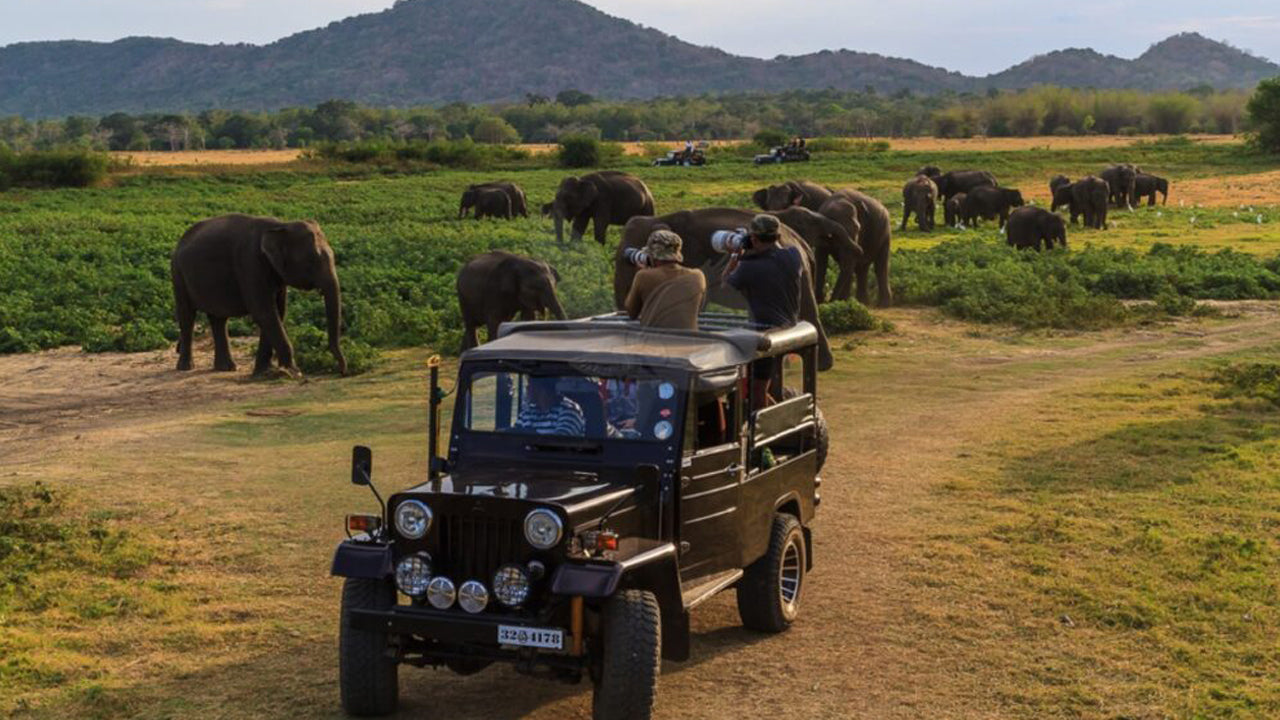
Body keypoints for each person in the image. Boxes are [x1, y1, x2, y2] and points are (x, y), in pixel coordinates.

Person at [721, 214, 802, 407]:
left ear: (754, 239)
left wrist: (735, 255)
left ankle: (776, 426)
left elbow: (724, 286)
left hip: (764, 333)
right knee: (758, 385)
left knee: (757, 390)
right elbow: (774, 256)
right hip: (790, 326)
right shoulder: (793, 255)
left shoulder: (748, 267)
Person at [624, 230, 707, 330]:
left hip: (653, 341)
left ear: (652, 256)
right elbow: (698, 308)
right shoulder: (698, 276)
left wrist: (639, 275)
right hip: (690, 341)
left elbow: (631, 312)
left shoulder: (643, 276)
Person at [514, 376, 585, 436]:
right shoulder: (527, 413)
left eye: (531, 385)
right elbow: (514, 436)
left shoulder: (569, 410)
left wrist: (533, 438)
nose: (527, 389)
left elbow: (560, 442)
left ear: (543, 389)